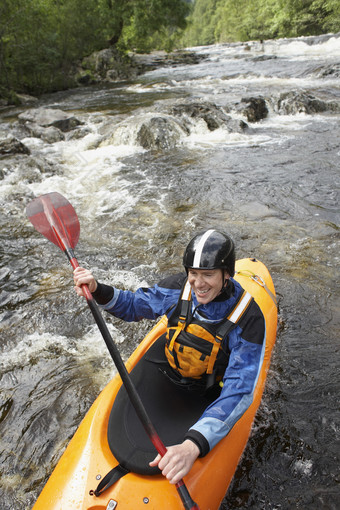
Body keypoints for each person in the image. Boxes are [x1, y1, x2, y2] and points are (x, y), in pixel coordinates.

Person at [73, 229, 265, 485]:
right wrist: (97, 289)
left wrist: (192, 445)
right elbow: (133, 306)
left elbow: (239, 389)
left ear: (227, 274)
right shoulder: (178, 287)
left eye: (208, 275)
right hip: (170, 374)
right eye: (193, 273)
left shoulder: (249, 318)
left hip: (210, 392)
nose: (198, 283)